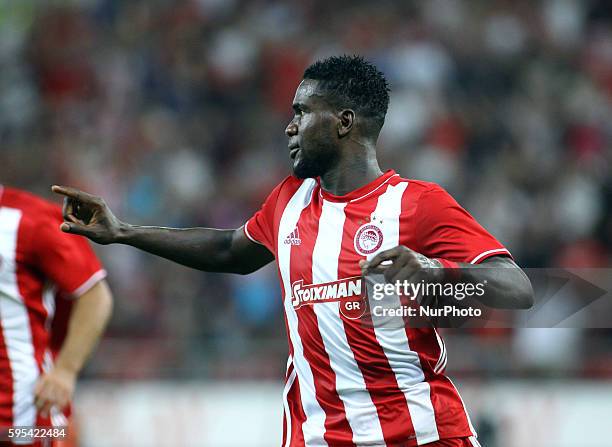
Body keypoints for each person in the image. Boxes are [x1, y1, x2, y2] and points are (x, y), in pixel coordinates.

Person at [52, 55, 533, 447]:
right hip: (315, 437)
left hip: (420, 436)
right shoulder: (289, 201)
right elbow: (227, 250)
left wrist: (435, 274)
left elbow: (517, 287)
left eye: (303, 112)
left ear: (344, 122)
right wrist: (123, 232)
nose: (290, 127)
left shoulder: (417, 203)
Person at [0, 185, 113, 446]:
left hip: (20, 423)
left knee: (63, 434)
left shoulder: (28, 219)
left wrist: (65, 371)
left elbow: (95, 294)